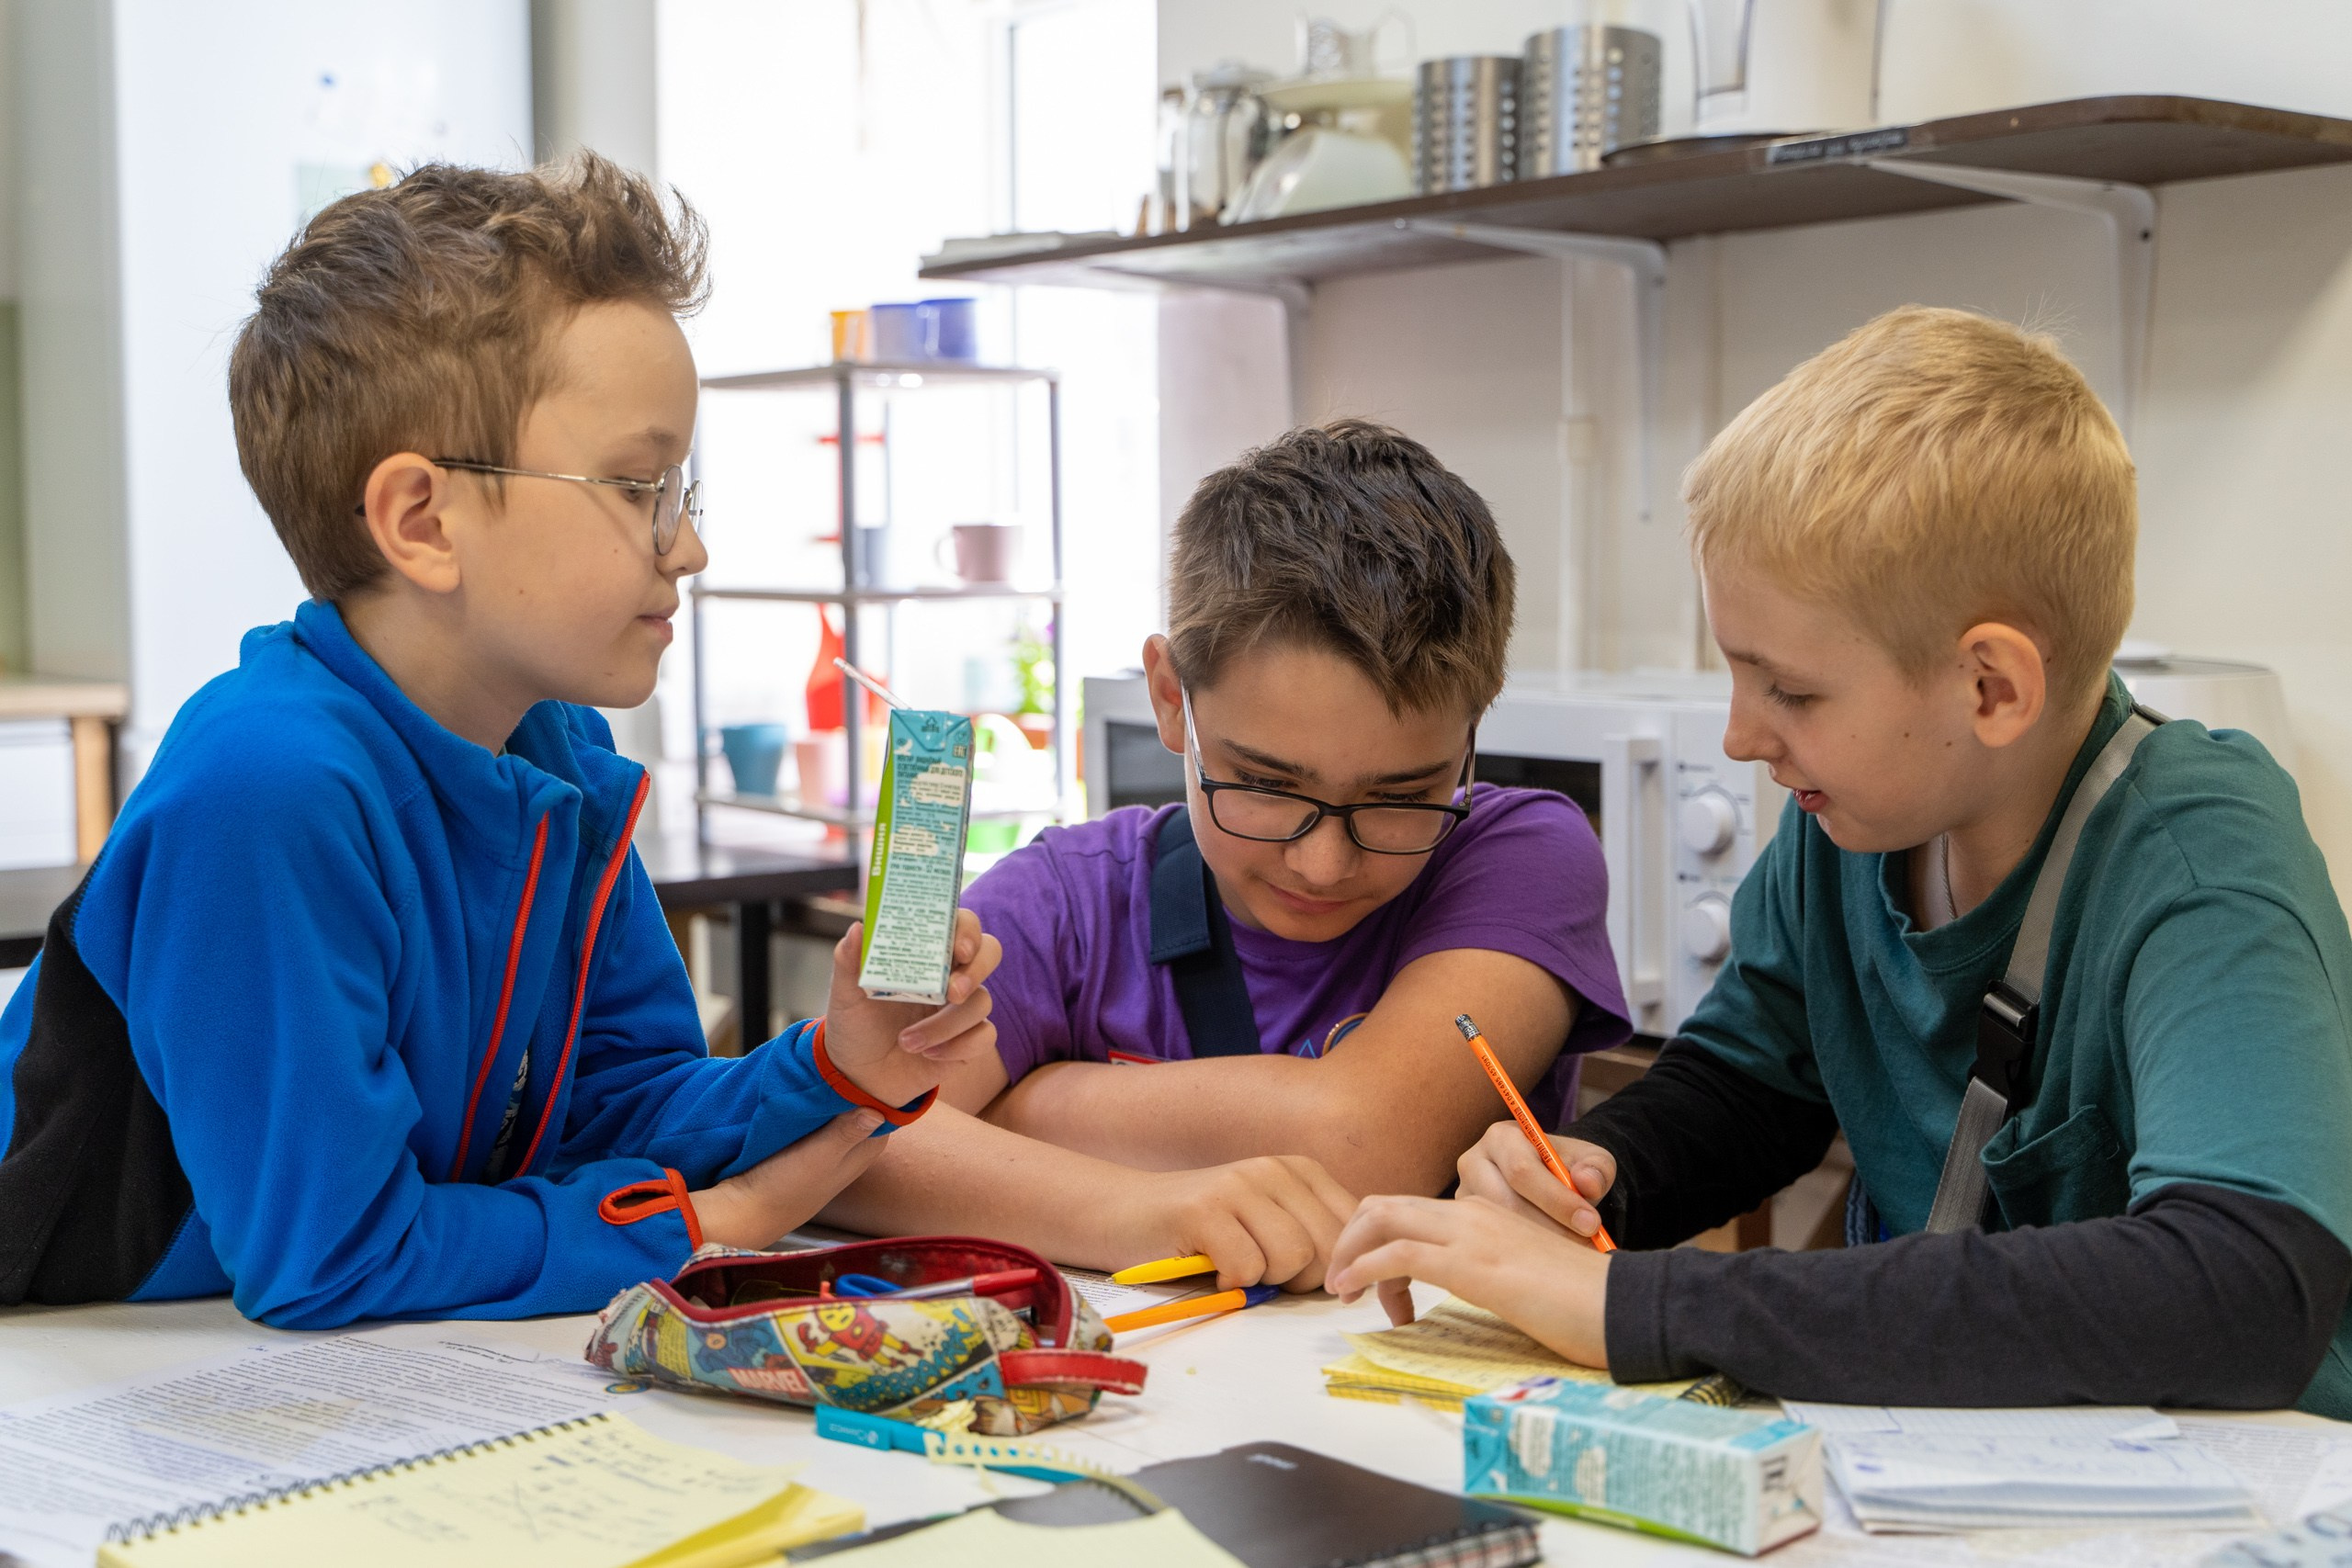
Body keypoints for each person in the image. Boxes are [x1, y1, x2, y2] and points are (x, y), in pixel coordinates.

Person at [0, 156, 1001, 1328]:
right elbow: (333, 1258)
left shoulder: (552, 753)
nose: (687, 547)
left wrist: (836, 1063)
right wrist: (703, 1227)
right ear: (423, 522)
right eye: (636, 486)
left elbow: (611, 1107)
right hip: (63, 1353)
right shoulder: (265, 789)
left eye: (679, 489)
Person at [1328, 306, 2352, 1416]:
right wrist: (1594, 1173)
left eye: (1792, 691)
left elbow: (2244, 1286)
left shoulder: (2201, 860)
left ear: (1990, 688)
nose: (1742, 736)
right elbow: (1748, 1086)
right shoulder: (1852, 819)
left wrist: (1643, 1306)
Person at [823, 421, 1631, 1291]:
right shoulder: (1068, 900)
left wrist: (1029, 1103)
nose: (1323, 863)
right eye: (1268, 785)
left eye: (1400, 797)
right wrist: (1136, 1208)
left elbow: (1359, 1142)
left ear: (1475, 726)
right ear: (1172, 698)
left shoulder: (1522, 853)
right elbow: (838, 1141)